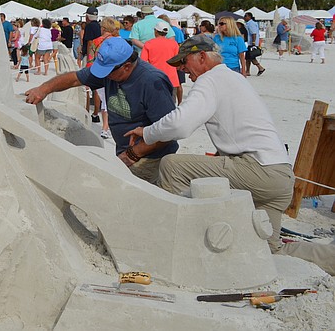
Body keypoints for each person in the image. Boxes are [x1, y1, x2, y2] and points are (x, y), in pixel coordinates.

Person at [124, 35, 335, 274]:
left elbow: (180, 125)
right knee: (270, 251)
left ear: (202, 57)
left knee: (173, 165)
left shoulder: (210, 79)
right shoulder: (234, 78)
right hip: (281, 177)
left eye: (184, 62)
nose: (183, 70)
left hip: (258, 170)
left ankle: (176, 241)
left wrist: (148, 132)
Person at [25, 37, 178, 184]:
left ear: (127, 66)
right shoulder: (111, 73)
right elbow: (74, 78)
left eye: (109, 71)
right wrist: (43, 89)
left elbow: (168, 132)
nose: (106, 76)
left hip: (151, 156)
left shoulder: (152, 82)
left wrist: (133, 154)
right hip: (126, 151)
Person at [141, 20, 181, 104]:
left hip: (155, 79)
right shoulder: (174, 44)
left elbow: (143, 62)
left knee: (156, 105)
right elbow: (178, 61)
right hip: (172, 79)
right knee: (171, 106)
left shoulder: (148, 44)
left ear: (156, 31)